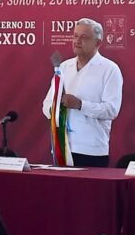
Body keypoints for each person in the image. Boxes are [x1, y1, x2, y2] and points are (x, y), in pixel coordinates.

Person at [42, 18, 123, 167]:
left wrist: (80, 105)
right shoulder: (64, 67)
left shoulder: (110, 69)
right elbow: (46, 105)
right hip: (62, 148)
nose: (77, 41)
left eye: (84, 37)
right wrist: (56, 107)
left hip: (91, 151)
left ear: (97, 43)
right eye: (75, 36)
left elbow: (111, 110)